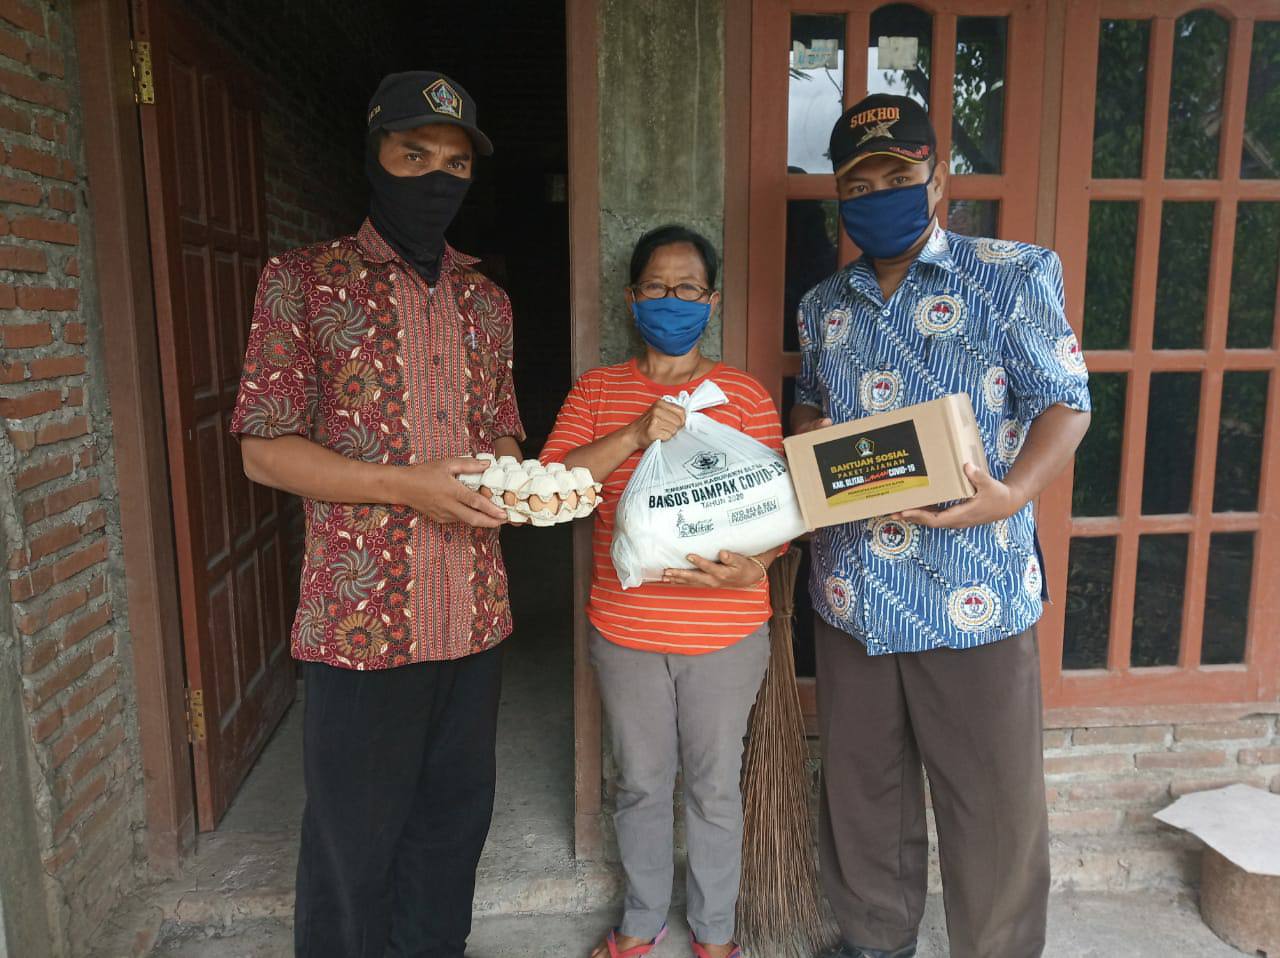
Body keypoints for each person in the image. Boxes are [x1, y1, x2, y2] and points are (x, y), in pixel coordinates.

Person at [230, 71, 523, 958]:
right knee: (352, 844)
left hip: (472, 614)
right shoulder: (304, 283)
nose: (437, 178)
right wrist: (408, 485)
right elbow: (264, 450)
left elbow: (501, 428)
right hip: (361, 622)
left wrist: (511, 480)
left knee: (452, 831)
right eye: (414, 154)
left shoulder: (487, 302)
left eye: (456, 164)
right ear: (374, 156)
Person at [792, 94, 1092, 958]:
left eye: (897, 173)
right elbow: (809, 400)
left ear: (938, 177)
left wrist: (1014, 492)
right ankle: (873, 939)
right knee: (863, 790)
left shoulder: (1013, 273)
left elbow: (1066, 403)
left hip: (973, 588)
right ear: (839, 194)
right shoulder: (823, 304)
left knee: (992, 803)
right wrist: (810, 432)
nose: (877, 193)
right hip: (853, 588)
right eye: (858, 183)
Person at [541, 225, 786, 958]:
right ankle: (642, 920)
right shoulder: (598, 391)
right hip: (627, 632)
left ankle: (715, 932)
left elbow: (783, 509)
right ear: (631, 297)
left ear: (711, 300)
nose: (671, 299)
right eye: (656, 286)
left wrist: (757, 566)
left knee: (714, 788)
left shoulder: (743, 396)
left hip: (726, 634)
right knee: (642, 784)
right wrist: (632, 434)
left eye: (687, 288)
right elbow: (552, 488)